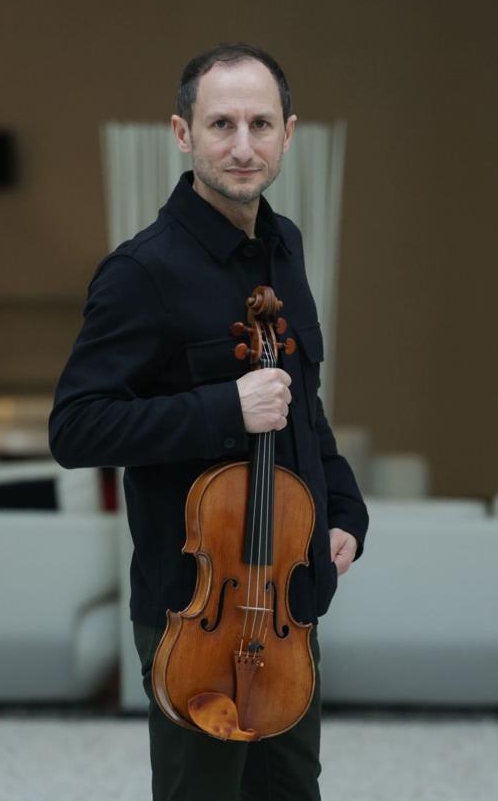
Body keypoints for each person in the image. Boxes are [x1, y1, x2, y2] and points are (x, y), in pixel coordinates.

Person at [50, 43, 368, 801]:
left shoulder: (285, 248)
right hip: (193, 606)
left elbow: (304, 407)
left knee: (293, 790)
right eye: (221, 123)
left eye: (261, 124)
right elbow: (77, 428)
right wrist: (223, 408)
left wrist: (346, 507)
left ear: (289, 133)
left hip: (283, 603)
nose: (243, 145)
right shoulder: (141, 272)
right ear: (182, 133)